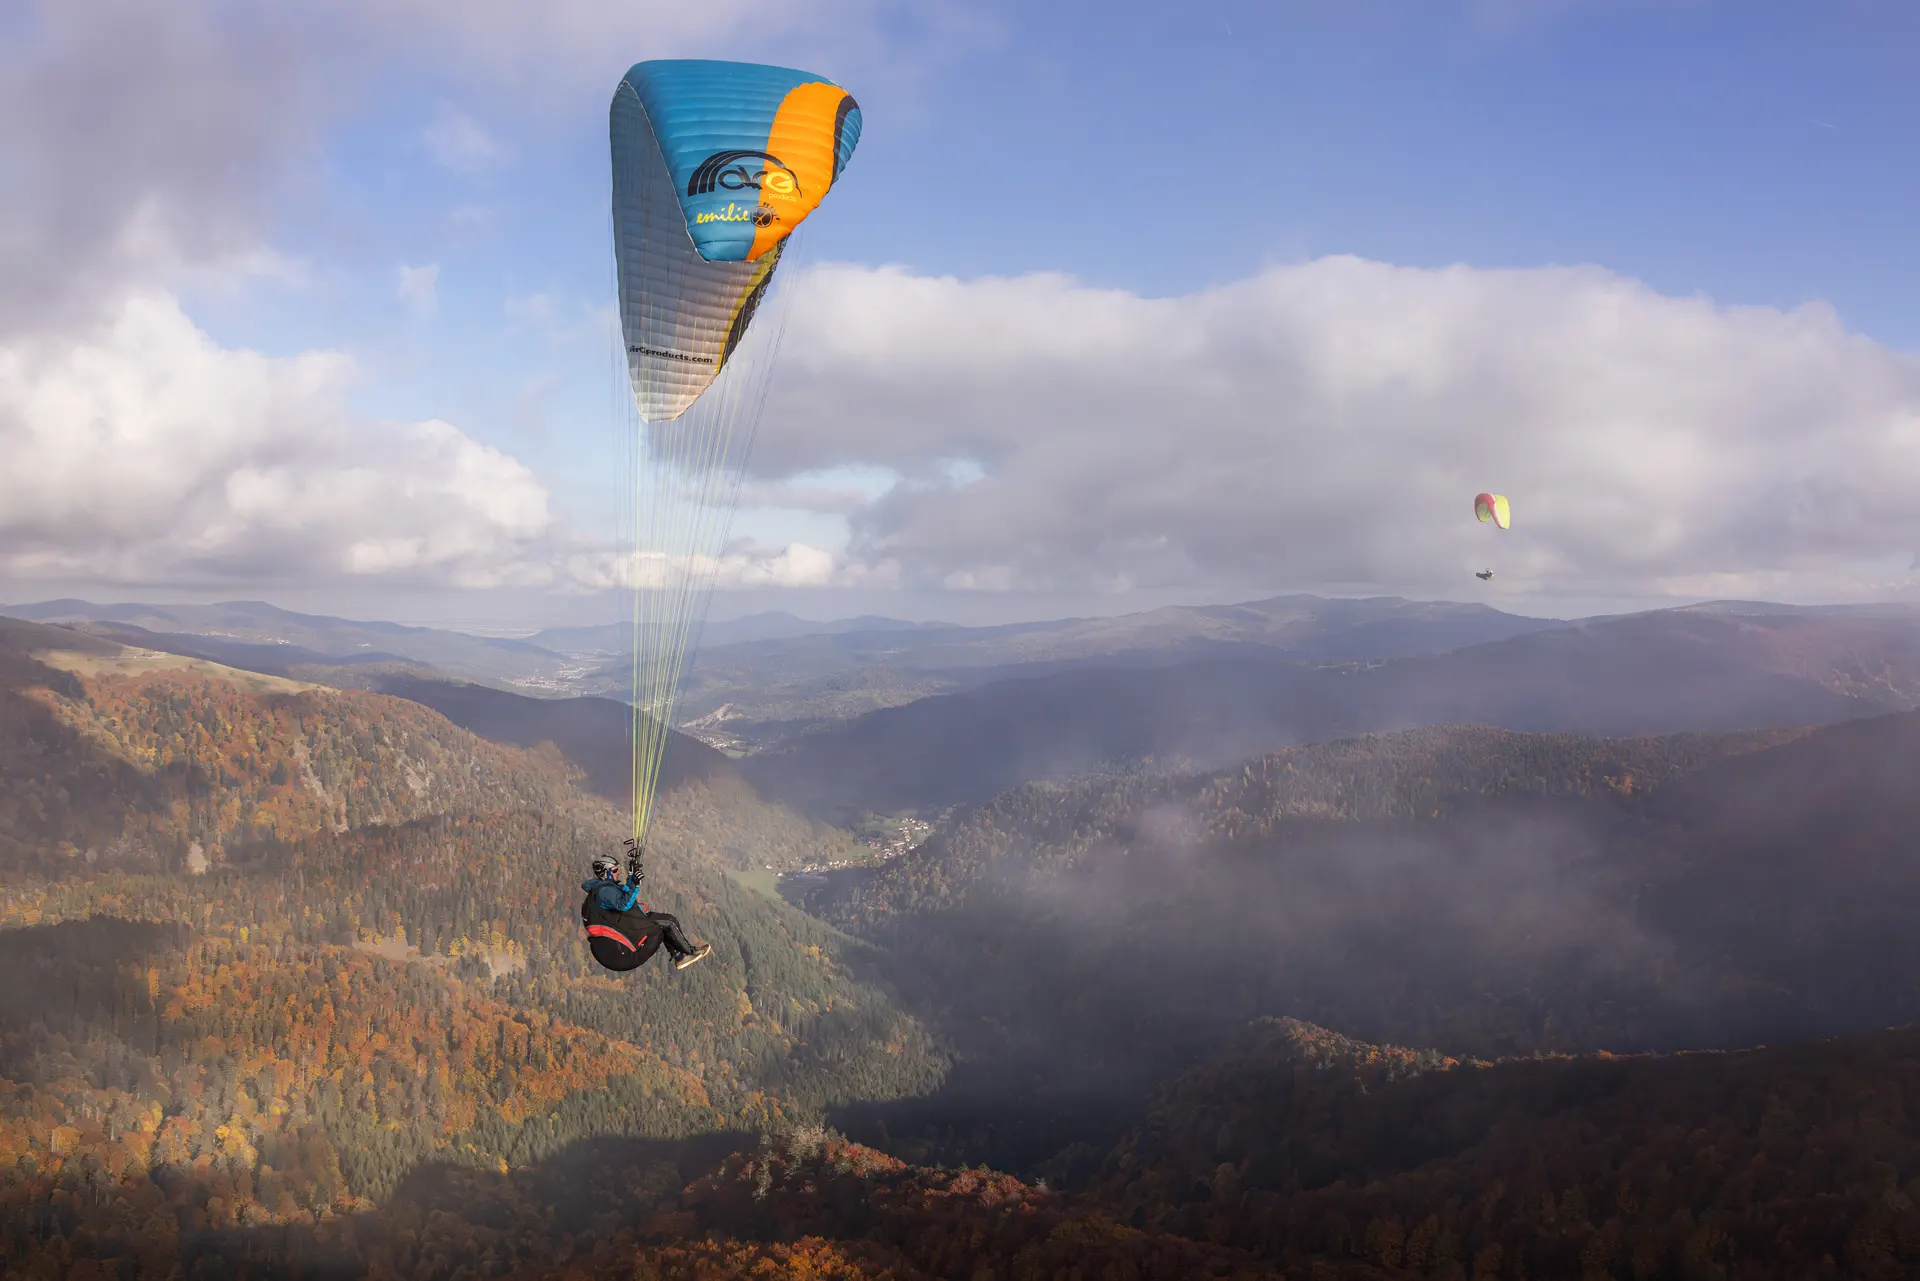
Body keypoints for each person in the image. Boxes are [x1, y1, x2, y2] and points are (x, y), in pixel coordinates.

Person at [580, 842, 712, 973]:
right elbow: (623, 904)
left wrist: (632, 879)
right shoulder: (604, 891)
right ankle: (689, 952)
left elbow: (625, 895)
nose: (618, 872)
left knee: (667, 920)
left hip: (615, 950)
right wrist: (635, 885)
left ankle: (680, 956)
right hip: (621, 955)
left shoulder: (604, 889)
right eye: (614, 870)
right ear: (605, 873)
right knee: (665, 926)